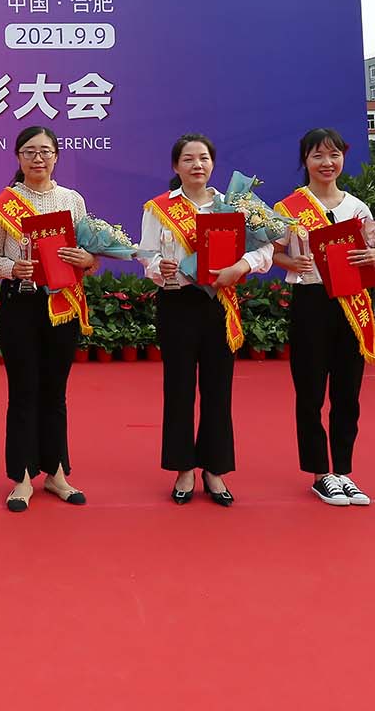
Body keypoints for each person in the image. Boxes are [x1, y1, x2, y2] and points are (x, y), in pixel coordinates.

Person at [139, 133, 272, 506]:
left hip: (220, 304)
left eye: (203, 158)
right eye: (188, 159)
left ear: (212, 164)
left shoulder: (234, 206)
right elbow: (146, 254)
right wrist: (160, 268)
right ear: (175, 166)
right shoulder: (159, 208)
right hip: (177, 303)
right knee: (178, 388)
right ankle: (183, 467)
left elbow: (266, 247)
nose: (197, 165)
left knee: (218, 389)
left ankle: (215, 469)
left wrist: (241, 266)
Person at [0, 125, 99, 512]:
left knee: (55, 392)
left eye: (45, 151)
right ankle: (22, 477)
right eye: (30, 151)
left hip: (62, 305)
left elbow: (87, 256)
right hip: (21, 305)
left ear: (56, 156)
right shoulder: (4, 204)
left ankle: (56, 472)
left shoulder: (72, 200)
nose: (38, 158)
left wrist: (89, 259)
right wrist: (14, 268)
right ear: (18, 157)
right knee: (23, 391)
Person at [270, 128, 375, 507]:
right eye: (318, 155)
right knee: (310, 390)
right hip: (311, 301)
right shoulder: (288, 208)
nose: (327, 163)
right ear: (305, 160)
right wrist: (292, 262)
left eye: (334, 155)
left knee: (347, 392)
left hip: (352, 304)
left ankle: (344, 471)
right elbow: (271, 253)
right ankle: (321, 473)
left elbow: (374, 254)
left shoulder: (358, 208)